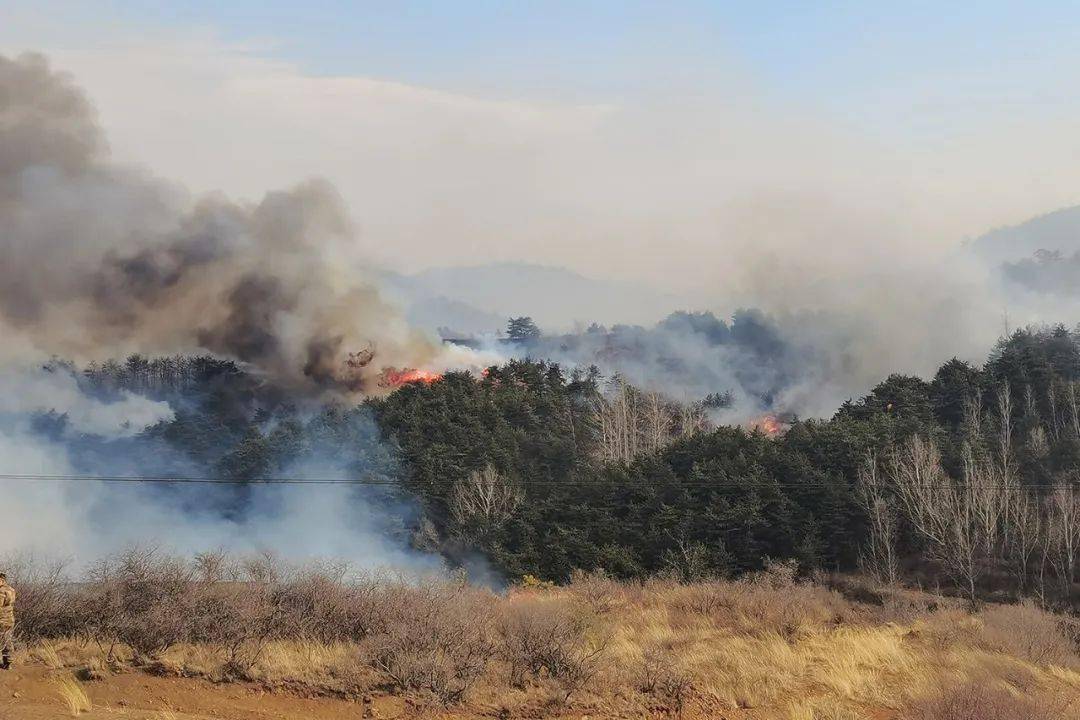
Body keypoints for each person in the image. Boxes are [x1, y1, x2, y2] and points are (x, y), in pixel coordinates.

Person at [0, 572, 14, 670]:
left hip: (2, 620)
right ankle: (8, 662)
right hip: (9, 619)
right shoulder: (11, 590)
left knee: (3, 641)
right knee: (7, 640)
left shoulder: (1, 591)